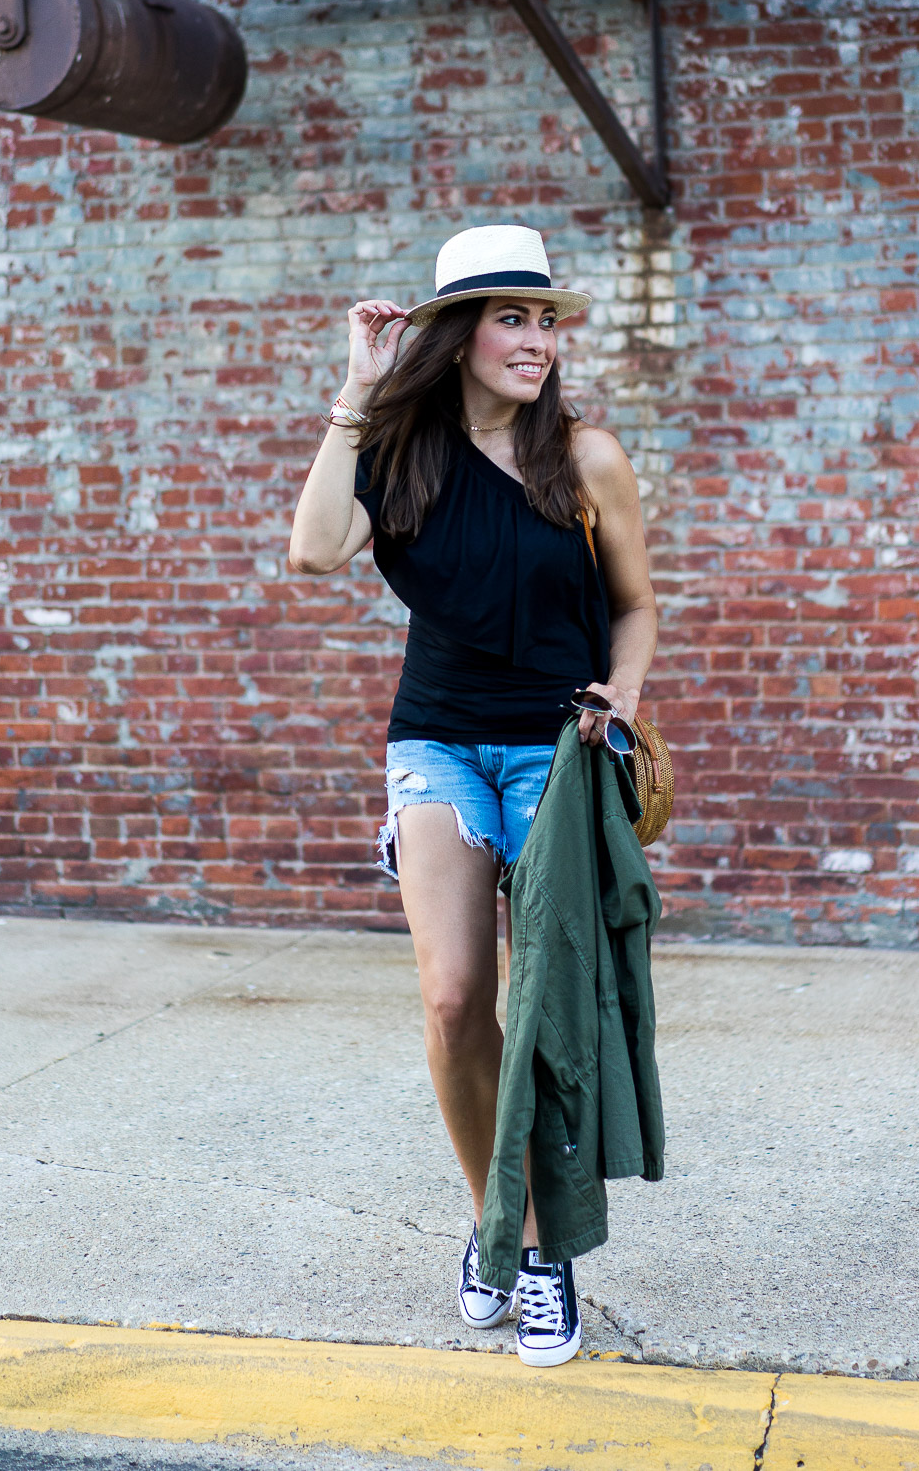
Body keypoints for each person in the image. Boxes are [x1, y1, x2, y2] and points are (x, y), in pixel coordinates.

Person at [288, 225, 658, 1367]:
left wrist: (619, 704)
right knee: (454, 1002)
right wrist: (354, 393)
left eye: (546, 320)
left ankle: (535, 1255)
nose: (535, 341)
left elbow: (634, 607)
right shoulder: (399, 452)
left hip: (554, 747)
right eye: (512, 318)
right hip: (439, 745)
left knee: (546, 1018)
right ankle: (508, 1232)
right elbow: (313, 551)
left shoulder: (584, 456)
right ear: (455, 335)